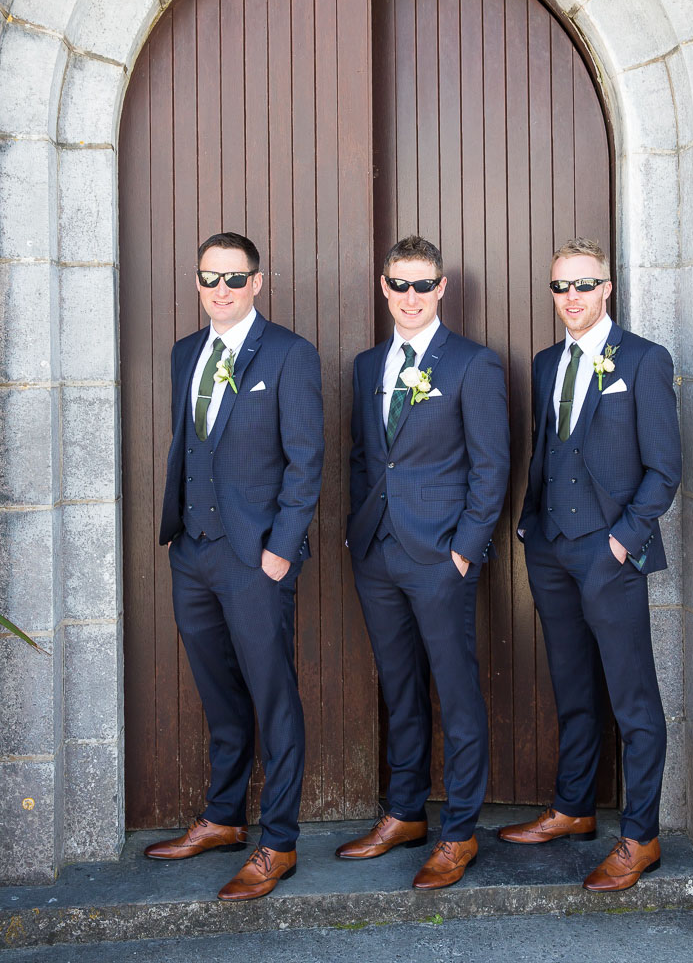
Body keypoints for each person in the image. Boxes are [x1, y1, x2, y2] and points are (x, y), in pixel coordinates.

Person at [145, 231, 324, 902]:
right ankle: (223, 818)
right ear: (198, 283)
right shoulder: (185, 353)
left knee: (272, 695)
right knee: (218, 693)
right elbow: (190, 447)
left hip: (256, 560)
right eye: (209, 278)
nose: (219, 289)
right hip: (191, 553)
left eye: (232, 278)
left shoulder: (287, 354)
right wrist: (175, 533)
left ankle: (277, 842)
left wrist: (280, 549)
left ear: (256, 282)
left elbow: (306, 461)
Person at [499, 237, 681, 892]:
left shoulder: (644, 360)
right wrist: (530, 527)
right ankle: (574, 809)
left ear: (607, 288)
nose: (570, 298)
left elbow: (664, 470)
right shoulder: (547, 363)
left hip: (608, 552)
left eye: (582, 285)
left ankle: (641, 837)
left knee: (633, 699)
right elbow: (547, 452)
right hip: (550, 548)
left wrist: (620, 541)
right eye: (560, 287)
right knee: (572, 686)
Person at [336, 235, 510, 889]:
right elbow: (364, 456)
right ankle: (405, 812)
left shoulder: (472, 364)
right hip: (378, 550)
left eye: (422, 285)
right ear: (384, 288)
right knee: (399, 686)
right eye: (398, 285)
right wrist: (359, 532)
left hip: (441, 556)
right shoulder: (364, 365)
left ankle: (459, 831)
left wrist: (464, 551)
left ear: (441, 289)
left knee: (456, 691)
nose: (410, 297)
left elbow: (490, 468)